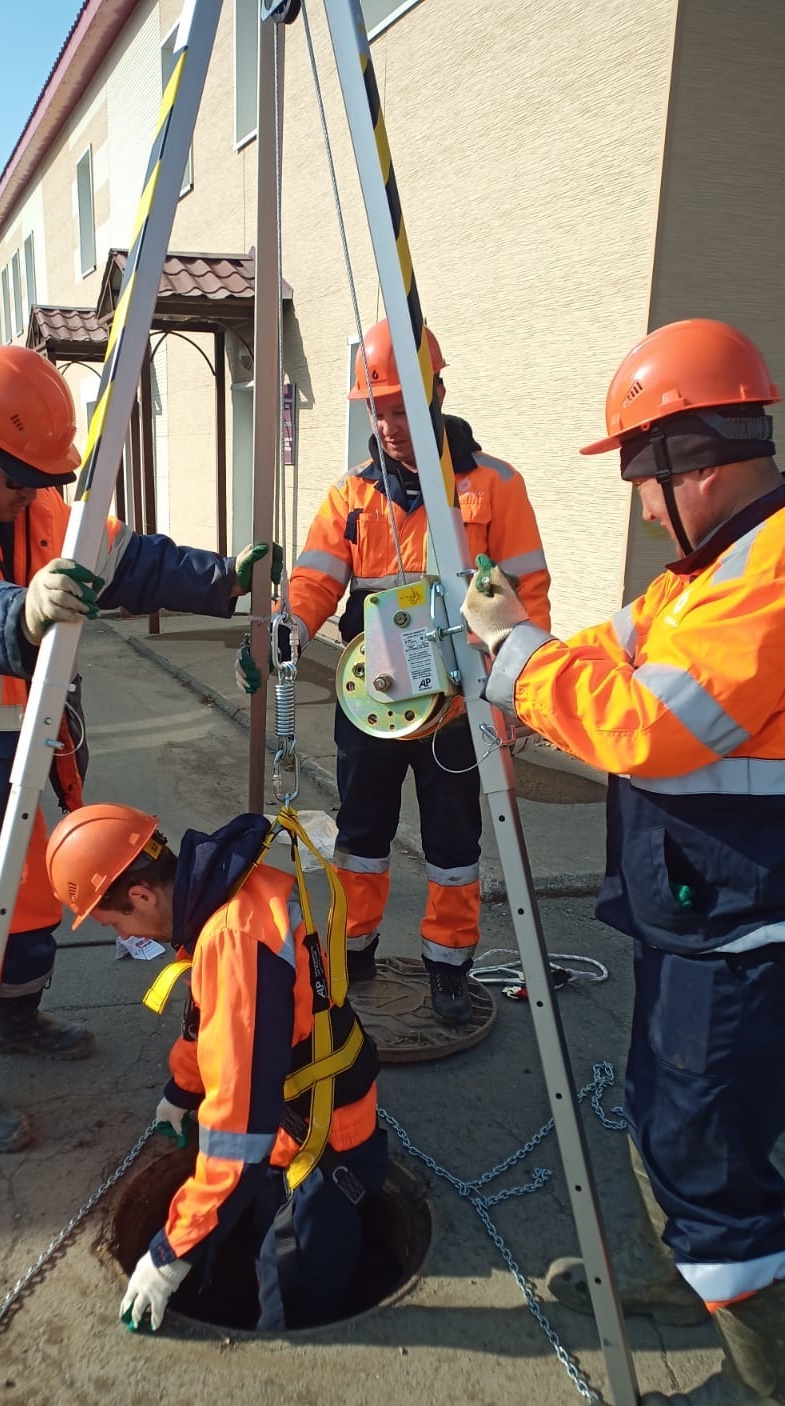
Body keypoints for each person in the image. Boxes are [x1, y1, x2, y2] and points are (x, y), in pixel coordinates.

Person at [460, 318, 785, 1406]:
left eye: (645, 479)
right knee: (658, 1098)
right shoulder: (716, 568)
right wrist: (531, 645)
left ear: (692, 457)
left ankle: (758, 1401)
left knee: (704, 1145)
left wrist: (511, 663)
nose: (643, 506)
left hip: (765, 924)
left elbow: (645, 725)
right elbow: (613, 653)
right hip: (710, 908)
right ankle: (672, 1267)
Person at [0, 345, 280, 1155]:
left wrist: (224, 582)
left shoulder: (27, 502)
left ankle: (17, 1020)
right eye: (24, 479)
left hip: (17, 757)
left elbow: (129, 561)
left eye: (46, 481)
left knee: (35, 902)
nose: (38, 496)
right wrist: (18, 612)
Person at [239, 319, 550, 1024]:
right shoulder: (350, 496)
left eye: (402, 407)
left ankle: (448, 965)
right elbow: (315, 582)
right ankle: (355, 948)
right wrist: (281, 630)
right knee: (362, 834)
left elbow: (525, 598)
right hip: (372, 699)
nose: (389, 424)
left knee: (453, 841)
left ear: (436, 391)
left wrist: (514, 696)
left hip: (456, 703)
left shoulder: (493, 486)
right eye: (377, 410)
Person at [45, 803, 386, 1332]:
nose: (125, 938)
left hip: (318, 1152)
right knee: (257, 1239)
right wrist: (183, 1090)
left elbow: (239, 1130)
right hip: (300, 1120)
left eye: (117, 922)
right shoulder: (227, 892)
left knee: (294, 1306)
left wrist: (171, 1252)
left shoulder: (234, 943)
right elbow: (210, 1020)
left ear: (140, 894)